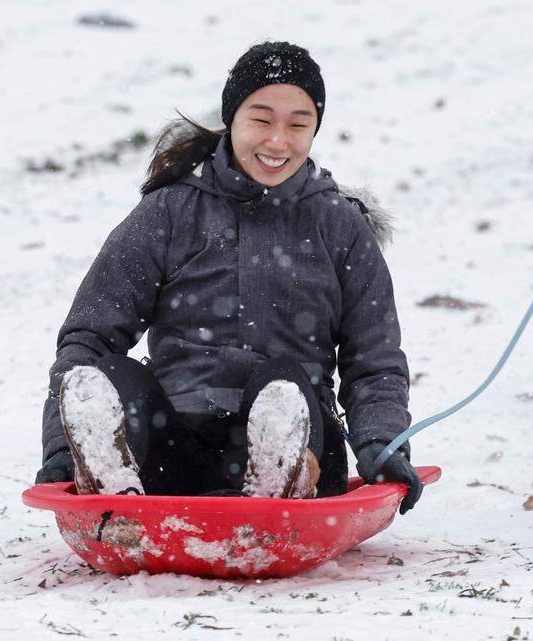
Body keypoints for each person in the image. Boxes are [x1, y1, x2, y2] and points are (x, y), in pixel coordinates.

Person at [34, 41, 422, 513]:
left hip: (305, 436)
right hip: (173, 447)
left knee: (282, 385)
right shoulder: (170, 212)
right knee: (108, 376)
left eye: (298, 125)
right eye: (261, 120)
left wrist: (383, 446)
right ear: (232, 118)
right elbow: (88, 336)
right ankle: (114, 486)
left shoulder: (338, 225)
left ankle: (280, 479)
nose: (278, 141)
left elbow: (374, 358)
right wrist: (60, 450)